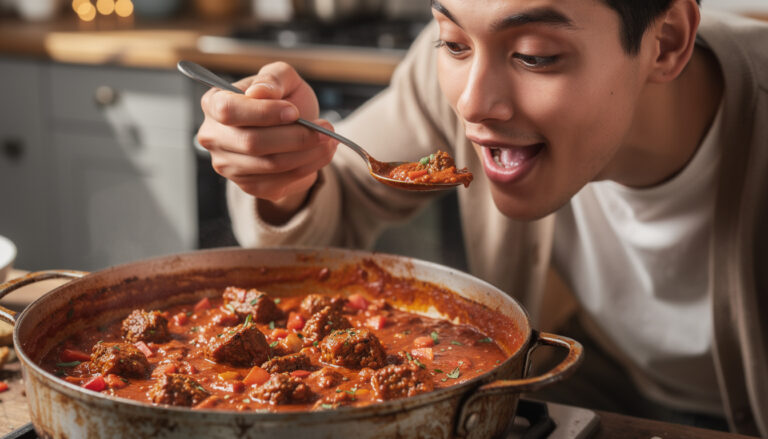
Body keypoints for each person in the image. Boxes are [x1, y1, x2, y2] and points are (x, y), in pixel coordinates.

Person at [196, 0, 768, 435]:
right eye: (453, 41)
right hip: (605, 395)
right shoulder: (454, 73)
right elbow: (334, 201)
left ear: (666, 42)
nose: (471, 103)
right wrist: (284, 170)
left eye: (535, 56)